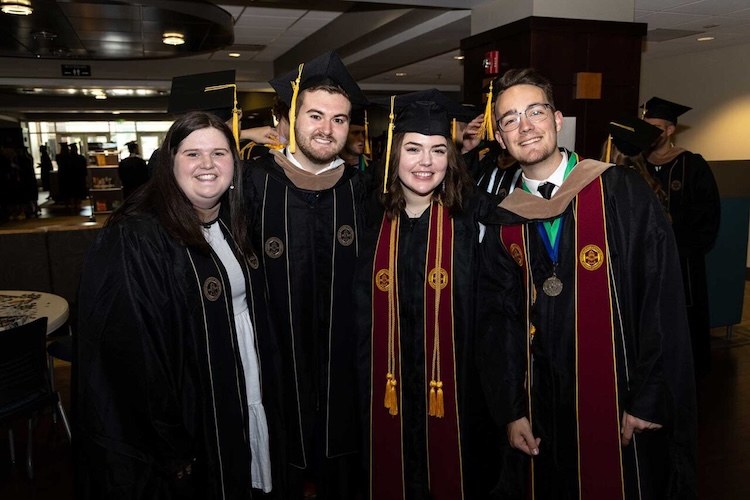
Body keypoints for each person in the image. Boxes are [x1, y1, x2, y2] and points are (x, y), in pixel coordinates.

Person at [478, 68, 697, 499]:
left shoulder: (620, 192)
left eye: (535, 111)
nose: (524, 126)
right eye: (509, 119)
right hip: (540, 404)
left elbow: (660, 298)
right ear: (500, 139)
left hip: (619, 396)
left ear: (557, 120)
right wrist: (511, 410)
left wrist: (649, 396)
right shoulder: (503, 217)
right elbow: (497, 322)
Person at [77, 111, 284, 499]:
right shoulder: (137, 238)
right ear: (170, 164)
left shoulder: (231, 224)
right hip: (185, 419)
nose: (208, 165)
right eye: (193, 154)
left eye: (220, 153)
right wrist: (172, 441)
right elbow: (133, 361)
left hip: (239, 389)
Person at [354, 89, 502, 500]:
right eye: (413, 149)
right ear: (393, 154)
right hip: (383, 385)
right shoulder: (366, 216)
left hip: (457, 389)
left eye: (438, 150)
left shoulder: (477, 216)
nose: (425, 162)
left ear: (450, 158)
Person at [243, 51, 368, 499]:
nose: (327, 129)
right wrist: (236, 132)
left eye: (339, 120)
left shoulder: (362, 189)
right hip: (273, 357)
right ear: (287, 117)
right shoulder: (250, 184)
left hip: (345, 363)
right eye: (315, 115)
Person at [642, 96, 721, 375]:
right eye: (646, 127)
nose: (650, 134)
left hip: (682, 257)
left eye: (656, 127)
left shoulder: (692, 164)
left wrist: (683, 246)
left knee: (684, 313)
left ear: (670, 130)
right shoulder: (637, 165)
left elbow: (708, 212)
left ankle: (687, 369)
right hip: (645, 258)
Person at [339, 106, 369, 171]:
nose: (362, 139)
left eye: (363, 134)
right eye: (355, 133)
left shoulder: (374, 169)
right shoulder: (329, 168)